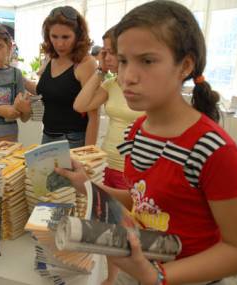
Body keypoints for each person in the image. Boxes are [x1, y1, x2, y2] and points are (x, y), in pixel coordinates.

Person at [56, 1, 237, 285]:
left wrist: (159, 276)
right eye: (123, 61)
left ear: (185, 65)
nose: (128, 77)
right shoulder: (137, 131)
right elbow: (143, 201)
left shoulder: (214, 149)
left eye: (147, 61)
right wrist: (87, 185)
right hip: (140, 266)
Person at [74, 27, 143, 285]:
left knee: (132, 231)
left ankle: (134, 277)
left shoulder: (141, 85)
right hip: (109, 163)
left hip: (136, 169)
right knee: (110, 228)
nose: (107, 55)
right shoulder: (111, 85)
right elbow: (80, 105)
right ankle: (112, 277)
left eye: (111, 51)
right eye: (104, 51)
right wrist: (100, 69)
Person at [31, 6, 98, 148]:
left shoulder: (86, 63)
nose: (60, 44)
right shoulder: (51, 58)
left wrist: (88, 154)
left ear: (78, 36)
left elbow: (94, 116)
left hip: (72, 140)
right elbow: (47, 91)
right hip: (47, 136)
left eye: (66, 37)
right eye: (54, 37)